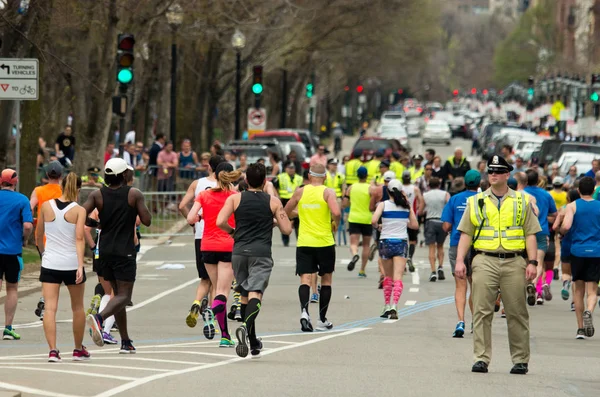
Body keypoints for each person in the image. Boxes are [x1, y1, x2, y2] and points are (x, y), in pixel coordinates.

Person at [454, 155, 541, 375]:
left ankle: (520, 359)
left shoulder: (522, 201)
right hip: (484, 259)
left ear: (507, 175)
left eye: (498, 171)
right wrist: (459, 261)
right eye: (490, 171)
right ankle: (481, 358)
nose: (493, 175)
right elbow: (466, 233)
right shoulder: (476, 201)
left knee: (517, 312)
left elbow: (530, 233)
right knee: (482, 311)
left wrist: (532, 262)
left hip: (514, 261)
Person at [216, 163, 292, 358]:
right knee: (255, 294)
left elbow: (219, 222)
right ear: (265, 180)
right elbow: (287, 229)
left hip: (239, 251)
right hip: (261, 252)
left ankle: (253, 341)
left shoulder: (235, 198)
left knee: (243, 294)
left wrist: (233, 232)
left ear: (246, 180)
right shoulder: (273, 202)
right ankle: (245, 326)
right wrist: (273, 221)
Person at [84, 158, 152, 353]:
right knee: (124, 295)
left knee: (117, 295)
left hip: (104, 250)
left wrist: (95, 223)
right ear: (124, 175)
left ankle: (125, 341)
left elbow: (80, 213)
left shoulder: (97, 195)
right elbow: (146, 220)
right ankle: (99, 318)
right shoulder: (133, 194)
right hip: (124, 251)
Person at [186, 162, 242, 347]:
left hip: (207, 245)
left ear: (215, 175)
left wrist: (202, 217)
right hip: (228, 245)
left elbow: (190, 218)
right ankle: (225, 335)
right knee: (223, 291)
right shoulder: (235, 196)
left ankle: (216, 320)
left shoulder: (204, 194)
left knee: (216, 287)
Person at [35, 173, 89, 362]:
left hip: (50, 262)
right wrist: (81, 265)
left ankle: (53, 350)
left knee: (50, 308)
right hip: (72, 263)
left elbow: (38, 234)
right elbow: (79, 238)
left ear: (61, 186)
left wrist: (43, 253)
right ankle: (77, 349)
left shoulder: (46, 206)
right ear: (79, 189)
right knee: (77, 307)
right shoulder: (79, 210)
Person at [284, 164, 341, 332]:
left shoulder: (300, 191)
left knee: (305, 280)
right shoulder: (327, 192)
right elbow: (336, 212)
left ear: (309, 176)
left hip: (304, 242)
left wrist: (300, 212)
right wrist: (334, 224)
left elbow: (286, 211)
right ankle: (322, 320)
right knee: (326, 280)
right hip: (324, 242)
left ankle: (304, 312)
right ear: (324, 177)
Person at [179, 155, 225, 328]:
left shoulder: (197, 184)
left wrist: (193, 221)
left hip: (201, 236)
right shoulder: (226, 187)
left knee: (204, 278)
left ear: (209, 167)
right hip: (221, 236)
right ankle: (211, 315)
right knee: (216, 281)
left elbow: (182, 205)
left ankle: (197, 302)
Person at [560, 177, 600, 339]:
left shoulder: (572, 206)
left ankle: (580, 329)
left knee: (578, 289)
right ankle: (589, 311)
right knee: (592, 290)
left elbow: (566, 226)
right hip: (596, 252)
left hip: (577, 251)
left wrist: (562, 232)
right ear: (593, 190)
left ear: (578, 191)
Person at [442, 169, 481, 338]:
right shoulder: (483, 200)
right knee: (475, 285)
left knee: (460, 285)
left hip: (457, 244)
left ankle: (460, 321)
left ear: (464, 183)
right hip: (478, 246)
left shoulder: (455, 199)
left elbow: (446, 226)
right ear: (480, 184)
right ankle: (475, 321)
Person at [371, 179, 417, 319]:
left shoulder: (383, 205)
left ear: (388, 191)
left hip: (385, 242)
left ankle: (386, 305)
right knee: (398, 277)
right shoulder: (406, 206)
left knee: (387, 276)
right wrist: (403, 222)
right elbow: (414, 225)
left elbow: (373, 220)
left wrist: (379, 226)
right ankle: (395, 306)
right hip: (401, 242)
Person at [0, 169, 33, 340]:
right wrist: (24, 240)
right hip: (13, 251)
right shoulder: (22, 200)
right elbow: (27, 226)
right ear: (15, 182)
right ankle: (8, 328)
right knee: (12, 288)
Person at [30, 160, 63, 320]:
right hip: (60, 237)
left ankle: (45, 303)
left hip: (42, 237)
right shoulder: (64, 191)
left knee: (48, 271)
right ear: (61, 175)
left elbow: (30, 207)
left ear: (46, 175)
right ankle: (45, 303)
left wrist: (34, 219)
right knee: (54, 273)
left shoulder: (38, 190)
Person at [523, 169, 557, 305]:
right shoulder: (546, 195)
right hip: (542, 231)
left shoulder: (521, 194)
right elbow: (554, 213)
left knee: (526, 262)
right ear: (538, 181)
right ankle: (534, 284)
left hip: (525, 231)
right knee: (538, 262)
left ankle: (528, 284)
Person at [344, 166, 372, 276]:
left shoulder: (351, 188)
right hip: (367, 218)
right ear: (367, 175)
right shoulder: (370, 188)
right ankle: (362, 270)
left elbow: (345, 203)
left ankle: (355, 254)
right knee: (366, 245)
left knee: (353, 243)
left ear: (357, 175)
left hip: (354, 217)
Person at [420, 177, 449, 282]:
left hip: (430, 221)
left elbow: (420, 211)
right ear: (439, 184)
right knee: (440, 246)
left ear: (429, 185)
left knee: (431, 247)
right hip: (442, 221)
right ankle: (440, 266)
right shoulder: (445, 194)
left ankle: (433, 272)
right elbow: (449, 206)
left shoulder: (425, 195)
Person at [274, 161, 303, 247]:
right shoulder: (280, 177)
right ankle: (285, 241)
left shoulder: (299, 178)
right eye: (289, 168)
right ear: (285, 168)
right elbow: (274, 187)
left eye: (293, 168)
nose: (291, 170)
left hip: (296, 201)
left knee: (298, 221)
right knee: (284, 220)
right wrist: (277, 196)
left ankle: (299, 240)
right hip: (284, 200)